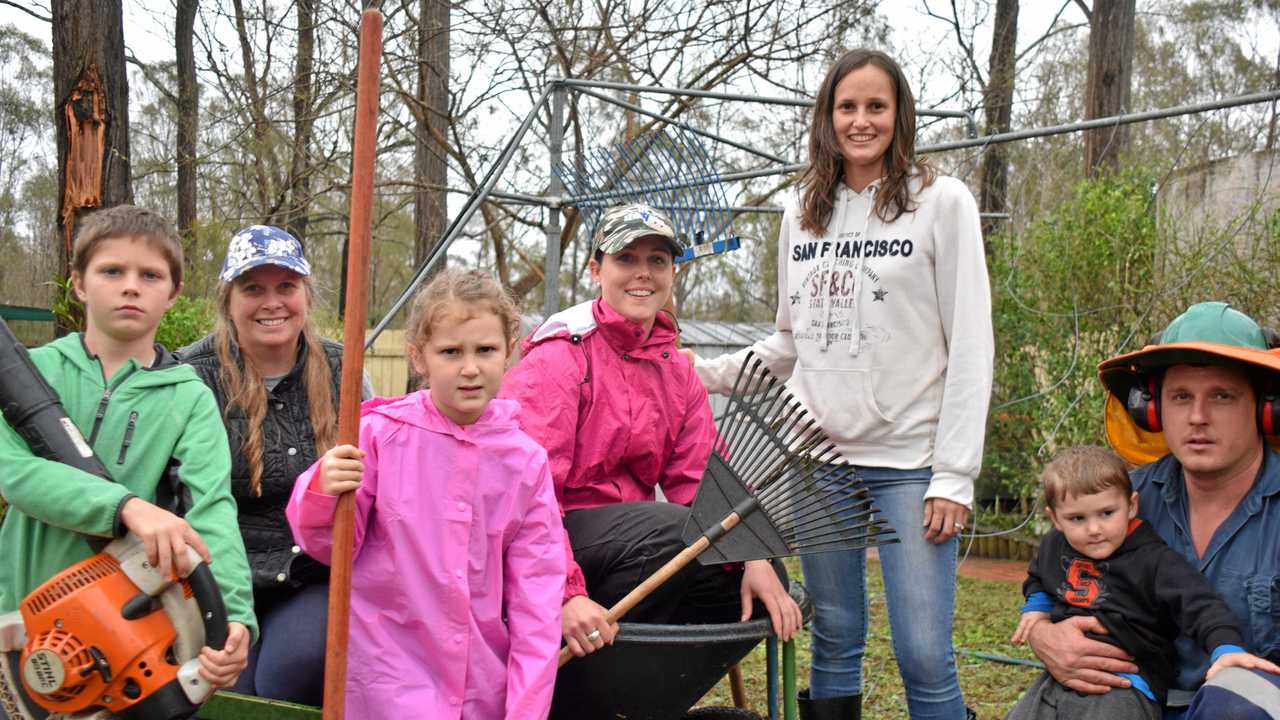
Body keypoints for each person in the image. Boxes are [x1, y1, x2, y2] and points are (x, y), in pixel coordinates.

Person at [685, 49, 992, 719]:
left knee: (923, 653)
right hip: (820, 464)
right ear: (826, 117)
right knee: (836, 639)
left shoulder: (941, 202)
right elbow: (791, 343)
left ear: (899, 115)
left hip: (910, 466)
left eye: (875, 106)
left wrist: (954, 475)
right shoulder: (802, 213)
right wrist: (695, 370)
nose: (861, 120)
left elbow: (971, 341)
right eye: (846, 107)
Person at [501, 203, 803, 661]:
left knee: (758, 575)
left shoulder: (674, 370)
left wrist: (752, 555)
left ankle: (639, 681)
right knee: (672, 533)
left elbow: (701, 477)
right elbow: (525, 496)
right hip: (554, 544)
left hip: (631, 551)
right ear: (595, 269)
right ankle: (592, 673)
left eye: (657, 261)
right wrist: (563, 593)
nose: (643, 274)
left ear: (673, 274)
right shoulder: (558, 359)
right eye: (626, 259)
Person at [287, 268, 565, 720]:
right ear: (419, 357)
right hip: (384, 680)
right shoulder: (377, 436)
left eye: (486, 350)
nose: (470, 368)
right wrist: (322, 486)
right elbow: (331, 546)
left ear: (510, 352)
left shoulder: (526, 463)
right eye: (451, 352)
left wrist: (525, 709)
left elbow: (538, 601)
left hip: (478, 687)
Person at [0, 205, 255, 696]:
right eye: (112, 271)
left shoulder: (190, 397)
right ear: (78, 282)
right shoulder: (29, 372)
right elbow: (13, 473)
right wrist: (124, 508)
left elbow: (212, 512)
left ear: (174, 292)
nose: (131, 286)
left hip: (123, 632)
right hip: (18, 613)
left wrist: (234, 615)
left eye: (150, 274)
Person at [1025, 301, 1280, 719]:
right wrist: (1041, 632)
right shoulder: (1117, 501)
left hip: (1243, 709)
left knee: (1233, 697)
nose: (1198, 417)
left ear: (1265, 408)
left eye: (1222, 395)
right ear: (1153, 409)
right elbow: (1050, 570)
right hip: (1133, 701)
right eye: (1181, 397)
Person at [178, 225, 350, 705]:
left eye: (286, 287)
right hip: (220, 576)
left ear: (306, 295)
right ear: (228, 299)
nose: (272, 302)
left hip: (310, 572)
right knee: (229, 688)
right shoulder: (191, 376)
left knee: (293, 671)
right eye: (253, 288)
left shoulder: (344, 370)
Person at [1006, 445, 1280, 719]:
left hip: (1128, 683)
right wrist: (1036, 611)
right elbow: (1039, 575)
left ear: (1131, 506)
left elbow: (1201, 605)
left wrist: (1226, 648)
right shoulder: (1055, 546)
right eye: (1077, 518)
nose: (1094, 530)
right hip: (1060, 678)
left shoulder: (1155, 560)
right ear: (1055, 518)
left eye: (1107, 513)